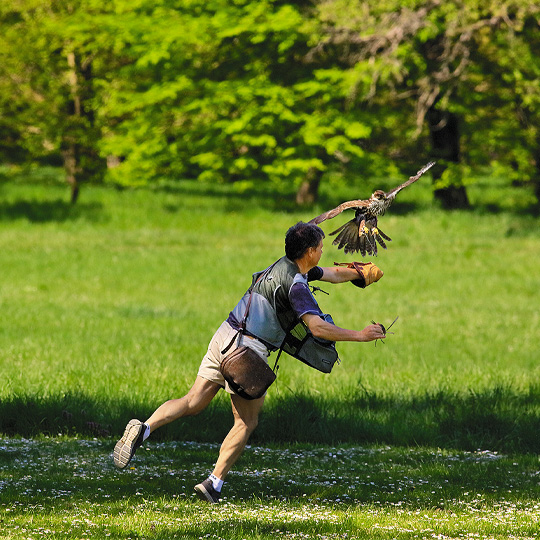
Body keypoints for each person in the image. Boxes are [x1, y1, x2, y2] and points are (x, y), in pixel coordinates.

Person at [113, 221, 385, 503]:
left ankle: (144, 428)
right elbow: (317, 328)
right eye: (320, 248)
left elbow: (327, 273)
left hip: (225, 336)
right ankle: (213, 483)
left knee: (193, 400)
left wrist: (357, 273)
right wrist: (360, 335)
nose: (322, 251)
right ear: (309, 252)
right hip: (247, 353)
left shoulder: (282, 265)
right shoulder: (297, 287)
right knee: (246, 421)